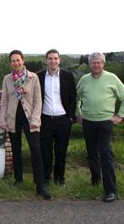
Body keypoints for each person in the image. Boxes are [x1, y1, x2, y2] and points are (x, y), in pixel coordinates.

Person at [76, 52, 124, 203]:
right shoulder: (84, 79)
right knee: (91, 152)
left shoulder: (112, 78)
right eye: (94, 62)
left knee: (105, 153)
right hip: (87, 122)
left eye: (99, 62)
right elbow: (77, 97)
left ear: (103, 64)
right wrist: (78, 113)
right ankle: (95, 179)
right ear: (90, 64)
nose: (96, 65)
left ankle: (110, 190)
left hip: (105, 122)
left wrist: (120, 115)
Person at [0, 50, 52, 200]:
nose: (16, 63)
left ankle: (40, 185)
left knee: (36, 150)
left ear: (23, 61)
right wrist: (3, 120)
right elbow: (4, 101)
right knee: (16, 150)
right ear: (10, 63)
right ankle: (18, 179)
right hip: (13, 118)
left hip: (30, 119)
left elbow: (38, 100)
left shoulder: (33, 77)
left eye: (18, 60)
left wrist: (35, 120)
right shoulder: (7, 79)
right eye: (13, 61)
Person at [37, 49, 76, 186]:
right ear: (46, 60)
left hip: (63, 120)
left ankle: (60, 179)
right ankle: (46, 179)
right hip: (45, 120)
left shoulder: (68, 76)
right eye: (50, 58)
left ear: (59, 60)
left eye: (55, 58)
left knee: (61, 152)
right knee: (45, 153)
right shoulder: (39, 76)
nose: (53, 61)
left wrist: (70, 117)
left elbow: (73, 97)